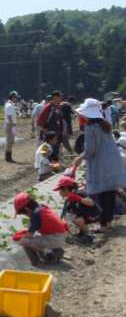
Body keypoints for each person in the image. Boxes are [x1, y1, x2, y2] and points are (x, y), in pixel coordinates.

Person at [74, 98, 126, 233]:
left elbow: (91, 149)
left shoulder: (91, 127)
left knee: (103, 195)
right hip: (112, 161)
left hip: (101, 163)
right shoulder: (105, 124)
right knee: (110, 193)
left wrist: (81, 157)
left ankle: (102, 226)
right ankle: (108, 223)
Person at [13, 193, 66, 265]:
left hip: (55, 239)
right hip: (60, 236)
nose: (26, 216)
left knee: (24, 241)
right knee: (36, 237)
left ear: (26, 209)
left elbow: (30, 235)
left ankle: (51, 252)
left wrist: (21, 236)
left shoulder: (35, 214)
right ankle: (53, 250)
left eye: (24, 214)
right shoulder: (42, 207)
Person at [52, 176, 101, 244]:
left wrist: (78, 199)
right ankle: (82, 231)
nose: (59, 193)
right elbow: (64, 214)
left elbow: (91, 203)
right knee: (70, 216)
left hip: (94, 214)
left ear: (65, 188)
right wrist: (64, 223)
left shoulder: (78, 194)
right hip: (84, 215)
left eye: (60, 190)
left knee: (78, 220)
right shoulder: (68, 200)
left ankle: (89, 236)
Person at [36, 90, 64, 158]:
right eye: (59, 96)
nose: (61, 98)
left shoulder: (59, 107)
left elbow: (60, 119)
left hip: (58, 131)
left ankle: (55, 164)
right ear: (54, 97)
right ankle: (48, 164)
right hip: (50, 132)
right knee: (49, 149)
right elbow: (41, 118)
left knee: (56, 150)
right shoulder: (48, 107)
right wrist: (43, 128)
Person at [4, 91, 20, 163]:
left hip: (10, 124)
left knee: (10, 141)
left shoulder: (10, 105)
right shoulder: (9, 106)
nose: (16, 99)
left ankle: (8, 156)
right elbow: (9, 117)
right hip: (10, 125)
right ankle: (8, 157)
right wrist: (12, 127)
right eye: (16, 97)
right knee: (10, 142)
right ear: (13, 97)